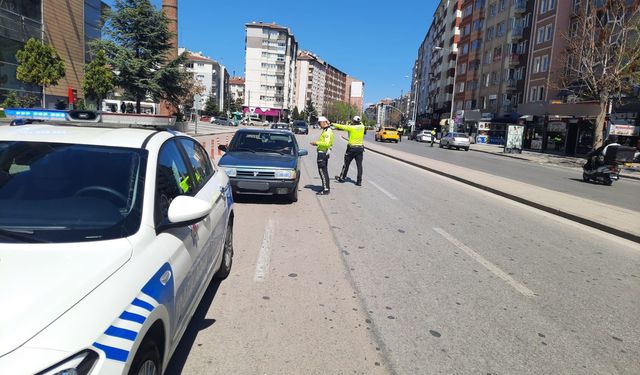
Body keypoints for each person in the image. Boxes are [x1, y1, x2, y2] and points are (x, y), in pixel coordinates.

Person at [333, 116, 366, 186]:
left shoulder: (351, 128)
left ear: (354, 121)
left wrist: (332, 124)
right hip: (360, 149)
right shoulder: (362, 127)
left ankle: (342, 178)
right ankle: (359, 181)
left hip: (351, 149)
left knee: (346, 164)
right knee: (359, 165)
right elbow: (361, 123)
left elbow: (341, 126)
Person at [310, 116, 334, 195]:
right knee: (324, 171)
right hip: (323, 152)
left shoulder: (327, 131)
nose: (319, 125)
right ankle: (325, 186)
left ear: (324, 122)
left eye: (320, 123)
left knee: (322, 172)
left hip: (323, 153)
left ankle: (326, 189)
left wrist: (316, 143)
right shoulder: (326, 130)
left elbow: (326, 143)